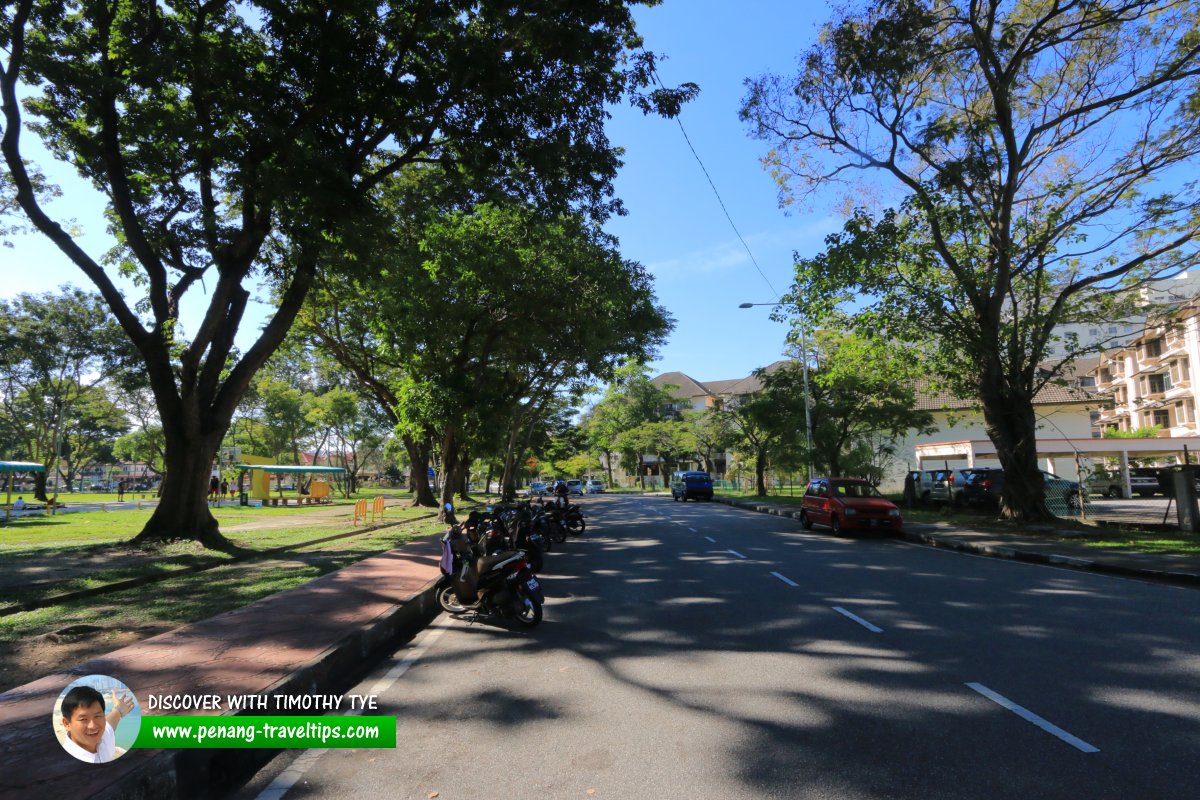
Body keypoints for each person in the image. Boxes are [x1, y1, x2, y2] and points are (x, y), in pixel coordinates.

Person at [59, 685, 135, 764]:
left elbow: (111, 721)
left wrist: (119, 709)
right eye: (83, 719)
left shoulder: (103, 737)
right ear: (67, 724)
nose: (93, 726)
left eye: (97, 716)